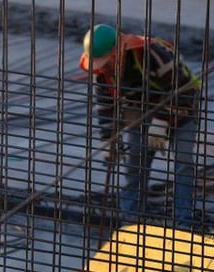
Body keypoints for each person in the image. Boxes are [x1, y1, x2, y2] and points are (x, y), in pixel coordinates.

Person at [79, 23, 202, 227]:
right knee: (136, 161)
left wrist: (162, 122)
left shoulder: (151, 55)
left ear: (118, 50)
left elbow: (184, 90)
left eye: (106, 61)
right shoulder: (101, 71)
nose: (103, 67)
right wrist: (109, 140)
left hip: (183, 108)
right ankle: (132, 219)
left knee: (184, 162)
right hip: (141, 110)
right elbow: (106, 107)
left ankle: (184, 221)